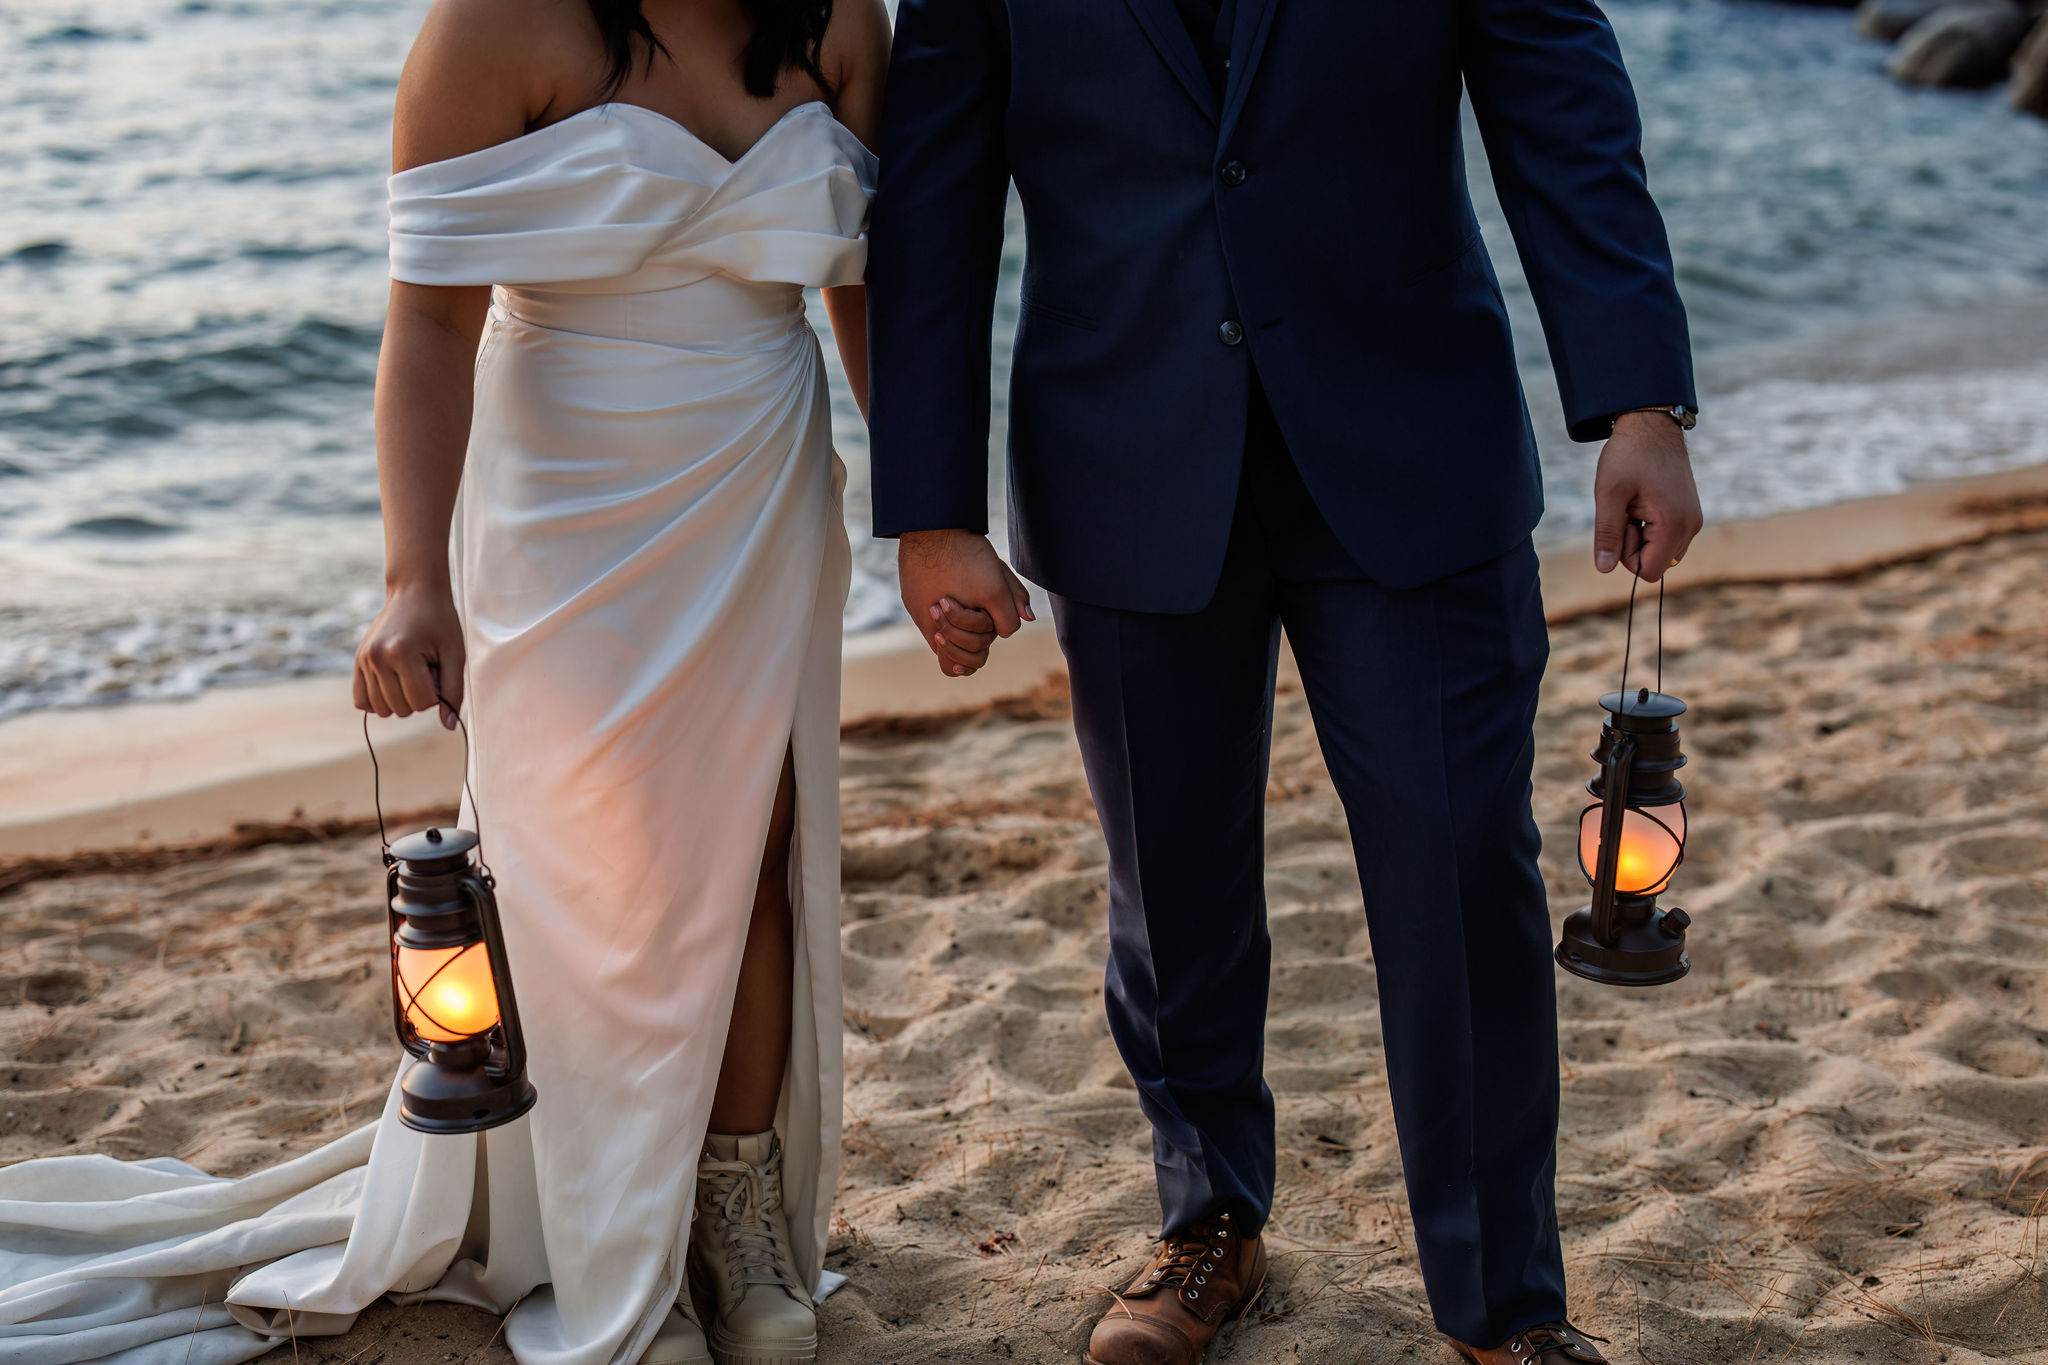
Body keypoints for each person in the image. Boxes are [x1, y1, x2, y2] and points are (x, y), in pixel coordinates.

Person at [0, 3, 887, 1363]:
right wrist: (416, 576)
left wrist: (937, 514)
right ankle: (594, 1223)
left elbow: (867, 290)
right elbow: (425, 320)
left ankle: (732, 1209)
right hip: (565, 508)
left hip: (758, 484)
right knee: (587, 873)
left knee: (753, 853)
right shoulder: (495, 28)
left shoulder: (835, 20)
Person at [864, 2, 1704, 1364]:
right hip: (1121, 449)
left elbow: (1562, 100)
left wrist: (1642, 405)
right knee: (1172, 883)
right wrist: (931, 507)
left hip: (1413, 437)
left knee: (1458, 867)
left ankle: (1504, 1300)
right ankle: (1209, 1220)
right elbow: (935, 191)